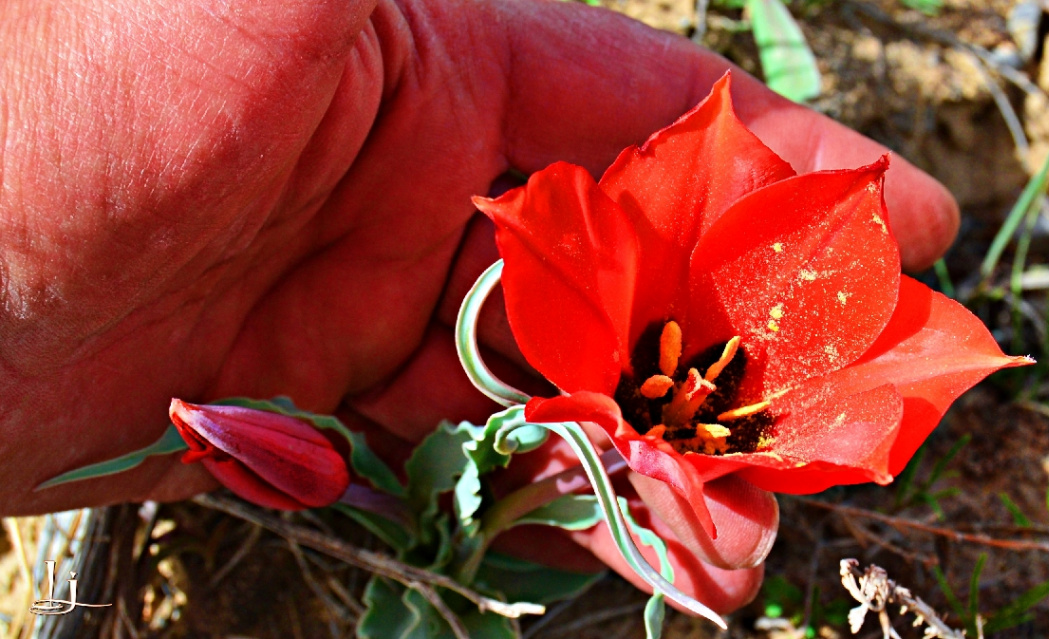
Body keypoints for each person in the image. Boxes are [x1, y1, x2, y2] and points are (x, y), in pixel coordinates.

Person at [0, 0, 958, 614]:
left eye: (683, 395)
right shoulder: (640, 257)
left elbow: (917, 366)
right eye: (684, 388)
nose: (685, 389)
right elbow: (701, 155)